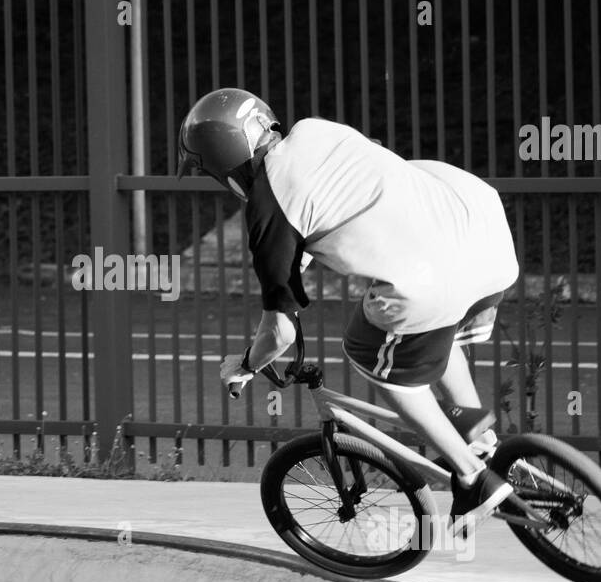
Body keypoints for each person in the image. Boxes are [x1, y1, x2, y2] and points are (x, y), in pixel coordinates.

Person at [177, 87, 520, 536]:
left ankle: (472, 477)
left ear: (224, 165)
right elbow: (351, 195)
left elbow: (279, 332)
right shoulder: (316, 131)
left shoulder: (268, 209)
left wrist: (244, 365)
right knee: (439, 329)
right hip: (485, 235)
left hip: (433, 277)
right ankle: (478, 436)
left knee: (370, 350)